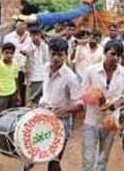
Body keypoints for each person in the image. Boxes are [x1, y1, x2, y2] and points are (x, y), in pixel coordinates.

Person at [23, 38, 82, 171]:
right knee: (30, 153)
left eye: (60, 55)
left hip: (61, 123)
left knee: (54, 160)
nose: (56, 58)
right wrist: (33, 98)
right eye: (53, 54)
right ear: (49, 53)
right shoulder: (45, 68)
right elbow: (44, 86)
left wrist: (65, 109)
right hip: (41, 118)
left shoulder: (71, 78)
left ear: (66, 55)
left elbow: (79, 103)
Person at [81, 40, 124, 171]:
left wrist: (119, 102)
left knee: (103, 157)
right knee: (88, 159)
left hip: (111, 120)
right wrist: (94, 97)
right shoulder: (91, 71)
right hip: (91, 120)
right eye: (113, 54)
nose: (116, 58)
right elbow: (83, 92)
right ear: (105, 53)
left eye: (119, 55)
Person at [4, 20, 32, 106]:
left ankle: (21, 108)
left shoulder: (30, 37)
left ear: (26, 26)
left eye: (23, 24)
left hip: (24, 69)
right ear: (15, 26)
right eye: (19, 24)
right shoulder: (8, 37)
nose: (21, 26)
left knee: (23, 90)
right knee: (11, 88)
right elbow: (4, 52)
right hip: (11, 67)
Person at [0, 43, 19, 116]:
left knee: (11, 115)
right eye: (7, 53)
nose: (9, 55)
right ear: (2, 53)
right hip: (1, 96)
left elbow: (16, 79)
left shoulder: (15, 64)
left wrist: (17, 94)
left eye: (11, 53)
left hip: (12, 94)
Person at [24, 26, 49, 105]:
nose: (36, 37)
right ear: (30, 36)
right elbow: (24, 66)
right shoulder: (27, 48)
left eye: (37, 34)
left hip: (45, 78)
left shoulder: (45, 47)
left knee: (44, 102)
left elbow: (48, 61)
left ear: (40, 35)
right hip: (34, 79)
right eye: (33, 35)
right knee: (33, 102)